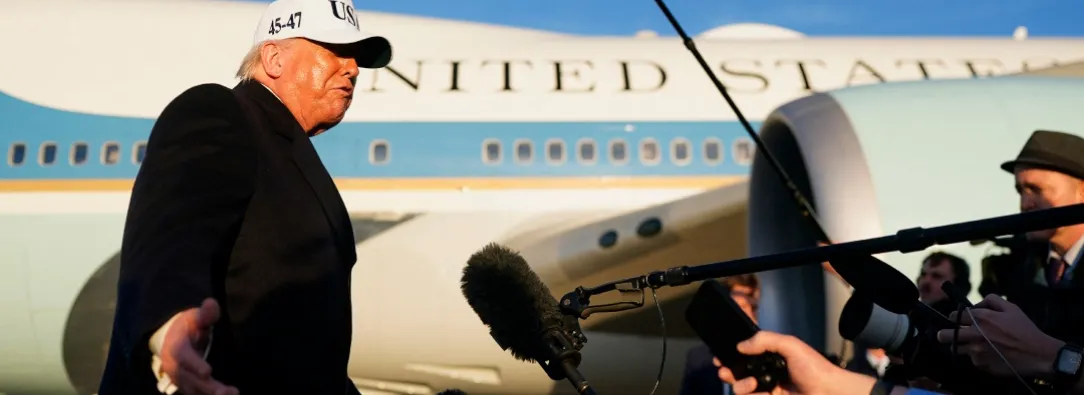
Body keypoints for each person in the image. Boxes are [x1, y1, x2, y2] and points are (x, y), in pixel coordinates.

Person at [96, 1, 393, 394]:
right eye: (333, 50)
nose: (352, 68)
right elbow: (174, 232)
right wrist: (170, 324)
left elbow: (311, 359)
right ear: (273, 58)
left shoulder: (296, 160)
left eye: (355, 57)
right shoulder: (221, 111)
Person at [680, 274, 761, 395]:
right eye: (737, 306)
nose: (743, 314)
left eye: (749, 306)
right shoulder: (697, 358)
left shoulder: (769, 355)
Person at [916, 251, 971, 316]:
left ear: (958, 286)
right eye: (923, 274)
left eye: (936, 276)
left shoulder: (971, 323)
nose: (926, 281)